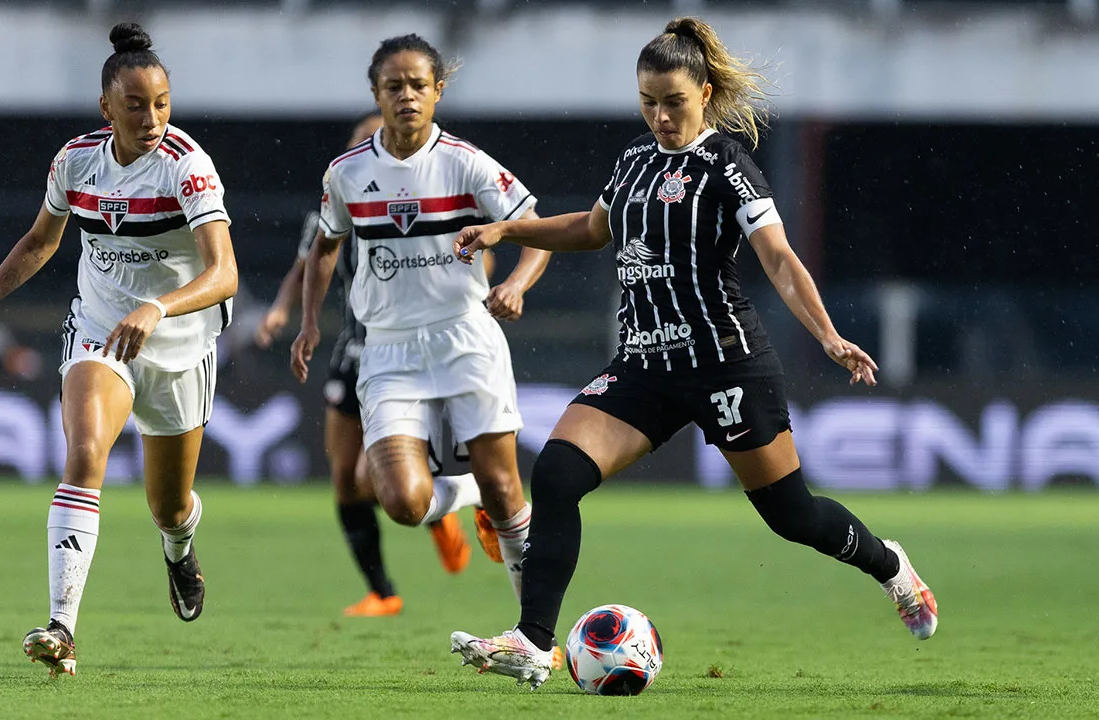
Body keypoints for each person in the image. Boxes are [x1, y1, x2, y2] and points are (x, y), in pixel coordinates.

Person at [448, 17, 938, 690]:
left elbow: (779, 258)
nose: (659, 115)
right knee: (559, 473)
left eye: (673, 101)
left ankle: (889, 565)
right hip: (645, 365)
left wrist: (826, 335)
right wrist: (508, 226)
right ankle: (534, 643)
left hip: (726, 364)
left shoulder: (726, 164)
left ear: (704, 93)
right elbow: (591, 229)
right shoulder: (633, 161)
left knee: (791, 515)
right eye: (647, 101)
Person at [0, 23, 238, 677]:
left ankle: (179, 545)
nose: (152, 117)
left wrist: (158, 305)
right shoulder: (76, 160)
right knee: (85, 453)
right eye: (135, 104)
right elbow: (39, 242)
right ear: (105, 107)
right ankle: (62, 628)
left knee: (168, 504)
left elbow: (225, 274)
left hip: (181, 341)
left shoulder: (187, 167)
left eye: (162, 102)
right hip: (100, 330)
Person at [290, 34, 552, 604]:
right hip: (388, 351)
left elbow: (537, 231)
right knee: (403, 502)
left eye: (417, 85)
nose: (406, 95)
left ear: (438, 90)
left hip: (465, 339)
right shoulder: (347, 173)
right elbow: (326, 247)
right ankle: (462, 492)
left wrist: (514, 283)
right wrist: (309, 322)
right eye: (393, 86)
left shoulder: (466, 162)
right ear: (376, 94)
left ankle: (534, 634)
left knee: (507, 489)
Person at [257, 112, 482, 617]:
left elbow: (471, 249)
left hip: (404, 352)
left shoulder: (424, 200)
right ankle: (383, 592)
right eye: (360, 143)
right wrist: (281, 311)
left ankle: (436, 504)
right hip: (350, 352)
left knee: (370, 479)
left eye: (375, 142)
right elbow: (307, 265)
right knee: (344, 479)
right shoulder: (333, 205)